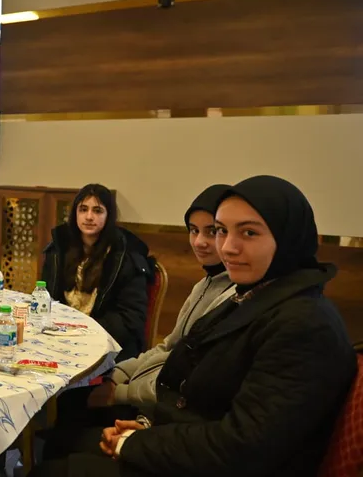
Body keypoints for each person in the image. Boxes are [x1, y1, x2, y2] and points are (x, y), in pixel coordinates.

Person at [33, 176, 357, 477]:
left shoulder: (303, 324)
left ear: (288, 238)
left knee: (54, 466)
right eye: (222, 231)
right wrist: (148, 427)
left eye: (249, 233)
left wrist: (134, 442)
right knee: (60, 444)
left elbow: (244, 446)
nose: (227, 247)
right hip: (191, 443)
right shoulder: (253, 297)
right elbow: (196, 387)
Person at [41, 185, 238, 461]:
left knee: (64, 430)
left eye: (213, 231)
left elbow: (132, 323)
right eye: (194, 231)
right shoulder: (59, 249)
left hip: (116, 360)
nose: (200, 242)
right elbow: (169, 348)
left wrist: (120, 390)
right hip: (108, 368)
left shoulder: (126, 257)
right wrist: (119, 377)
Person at [41, 184, 151, 361]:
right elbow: (46, 299)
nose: (89, 217)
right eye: (83, 209)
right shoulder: (58, 250)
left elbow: (131, 319)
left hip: (108, 345)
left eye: (98, 211)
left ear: (109, 216)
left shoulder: (126, 257)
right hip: (61, 339)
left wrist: (84, 331)